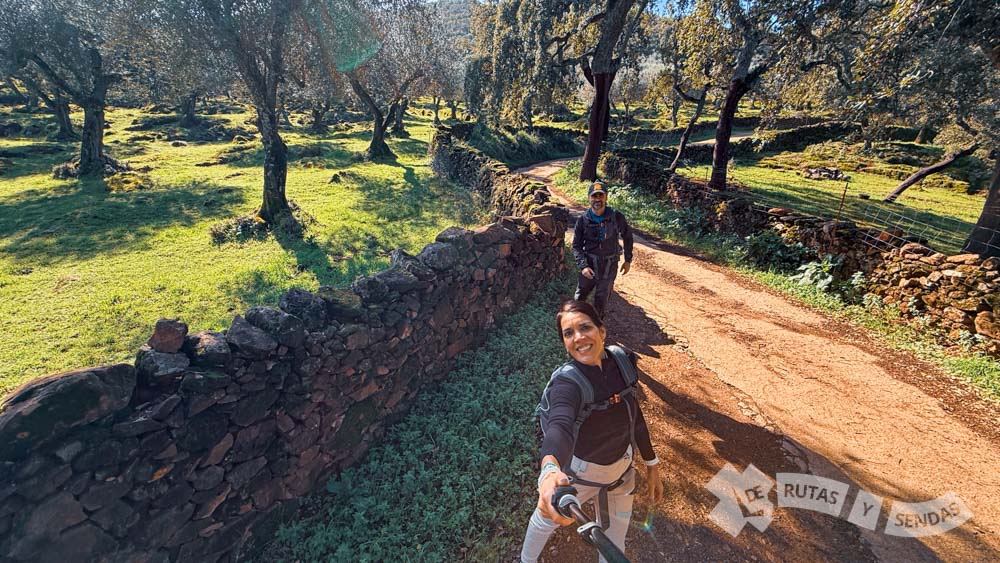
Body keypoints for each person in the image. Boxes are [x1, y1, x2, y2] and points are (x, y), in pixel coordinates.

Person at [520, 300, 663, 563]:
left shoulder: (623, 361)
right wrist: (550, 470)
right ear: (564, 342)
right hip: (580, 475)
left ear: (602, 331)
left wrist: (651, 462)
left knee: (614, 543)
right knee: (545, 520)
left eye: (585, 327)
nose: (578, 338)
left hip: (622, 473)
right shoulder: (567, 383)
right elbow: (558, 426)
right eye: (568, 333)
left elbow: (633, 412)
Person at [573, 180, 634, 320]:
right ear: (589, 198)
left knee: (601, 300)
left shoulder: (616, 216)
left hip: (609, 266)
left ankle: (597, 329)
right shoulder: (583, 219)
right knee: (579, 298)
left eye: (601, 195)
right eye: (594, 196)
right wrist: (583, 266)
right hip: (589, 264)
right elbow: (576, 245)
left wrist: (628, 260)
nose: (597, 199)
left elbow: (628, 236)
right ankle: (576, 327)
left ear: (606, 197)